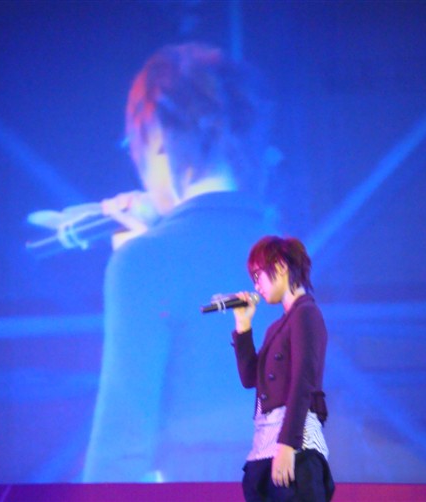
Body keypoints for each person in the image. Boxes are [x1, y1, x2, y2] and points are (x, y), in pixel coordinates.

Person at [82, 43, 279, 482]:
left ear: (156, 138)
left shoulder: (144, 263)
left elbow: (119, 452)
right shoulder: (294, 253)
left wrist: (141, 257)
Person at [231, 236, 334, 501]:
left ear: (280, 266)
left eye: (258, 275)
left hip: (294, 443)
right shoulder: (276, 327)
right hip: (266, 444)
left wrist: (288, 444)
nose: (256, 286)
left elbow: (303, 381)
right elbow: (250, 378)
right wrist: (243, 326)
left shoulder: (306, 313)